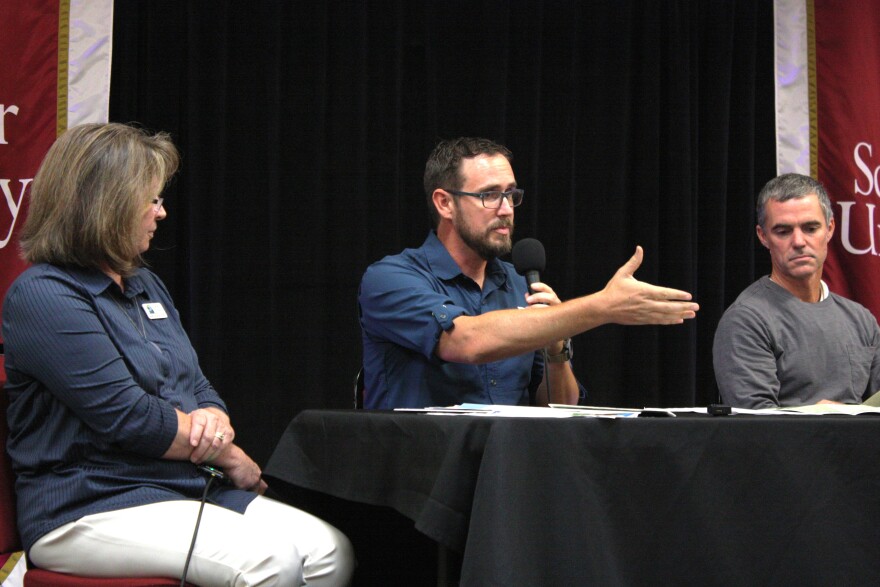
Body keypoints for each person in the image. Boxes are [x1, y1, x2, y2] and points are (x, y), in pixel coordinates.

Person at [1, 123, 354, 585]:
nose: (161, 213)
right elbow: (129, 417)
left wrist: (214, 415)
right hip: (88, 504)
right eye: (152, 200)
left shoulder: (145, 284)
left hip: (180, 488)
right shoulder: (43, 295)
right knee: (270, 560)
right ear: (106, 207)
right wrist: (228, 455)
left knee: (329, 552)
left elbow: (195, 384)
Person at [358, 137, 699, 409]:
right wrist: (601, 307)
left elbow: (559, 408)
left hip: (506, 470)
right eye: (489, 195)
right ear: (445, 203)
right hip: (421, 474)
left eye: (511, 194)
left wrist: (555, 350)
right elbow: (467, 340)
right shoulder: (390, 278)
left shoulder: (519, 283)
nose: (506, 210)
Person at [713, 173, 880, 409]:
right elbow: (754, 426)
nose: (799, 241)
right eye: (783, 231)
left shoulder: (861, 320)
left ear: (830, 229)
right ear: (763, 236)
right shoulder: (746, 320)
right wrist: (826, 416)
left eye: (811, 228)